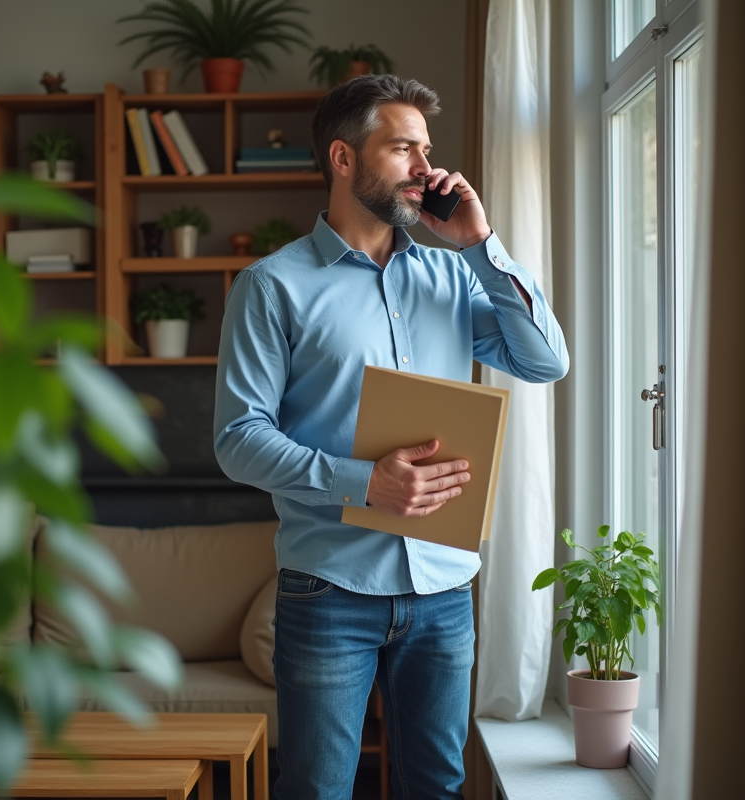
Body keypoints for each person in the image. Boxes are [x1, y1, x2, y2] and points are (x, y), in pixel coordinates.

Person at [213, 75, 568, 799]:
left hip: (444, 588)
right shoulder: (272, 285)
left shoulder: (453, 275)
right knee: (317, 790)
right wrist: (363, 481)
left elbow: (545, 360)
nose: (425, 168)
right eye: (404, 147)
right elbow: (238, 438)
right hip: (329, 589)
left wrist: (481, 244)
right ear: (344, 159)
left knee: (435, 787)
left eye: (427, 149)